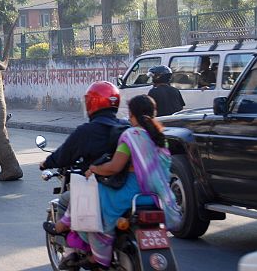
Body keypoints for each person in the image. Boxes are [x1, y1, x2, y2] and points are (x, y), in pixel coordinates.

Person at [49, 95, 182, 270]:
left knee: (88, 201)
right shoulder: (160, 137)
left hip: (132, 192)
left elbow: (114, 167)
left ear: (133, 115)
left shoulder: (131, 135)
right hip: (157, 196)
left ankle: (95, 254)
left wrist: (95, 169)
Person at [40, 81, 128, 270]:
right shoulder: (126, 127)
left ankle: (70, 254)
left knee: (65, 200)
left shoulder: (87, 131)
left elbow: (64, 155)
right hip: (129, 188)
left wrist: (46, 163)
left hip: (101, 187)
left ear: (92, 103)